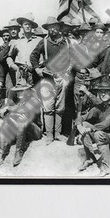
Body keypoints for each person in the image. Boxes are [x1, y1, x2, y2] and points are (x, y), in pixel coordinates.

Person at [30, 16, 72, 145]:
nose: (52, 29)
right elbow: (33, 56)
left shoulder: (67, 42)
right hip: (48, 78)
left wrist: (69, 68)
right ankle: (49, 135)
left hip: (62, 77)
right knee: (48, 107)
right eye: (49, 27)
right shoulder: (44, 42)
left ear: (59, 27)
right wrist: (37, 69)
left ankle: (58, 134)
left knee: (60, 107)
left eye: (54, 26)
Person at [76, 80, 110, 176]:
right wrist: (79, 125)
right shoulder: (100, 106)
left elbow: (105, 124)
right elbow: (83, 117)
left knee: (98, 133)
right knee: (85, 124)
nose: (103, 94)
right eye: (100, 92)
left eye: (106, 91)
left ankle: (107, 167)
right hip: (108, 137)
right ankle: (90, 158)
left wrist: (90, 129)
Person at [6, 13, 42, 87]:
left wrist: (39, 67)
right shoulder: (16, 42)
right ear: (22, 26)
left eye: (29, 24)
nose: (28, 26)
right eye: (25, 24)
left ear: (32, 26)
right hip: (21, 74)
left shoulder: (39, 41)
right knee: (22, 96)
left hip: (35, 73)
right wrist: (13, 66)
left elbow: (43, 57)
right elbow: (9, 57)